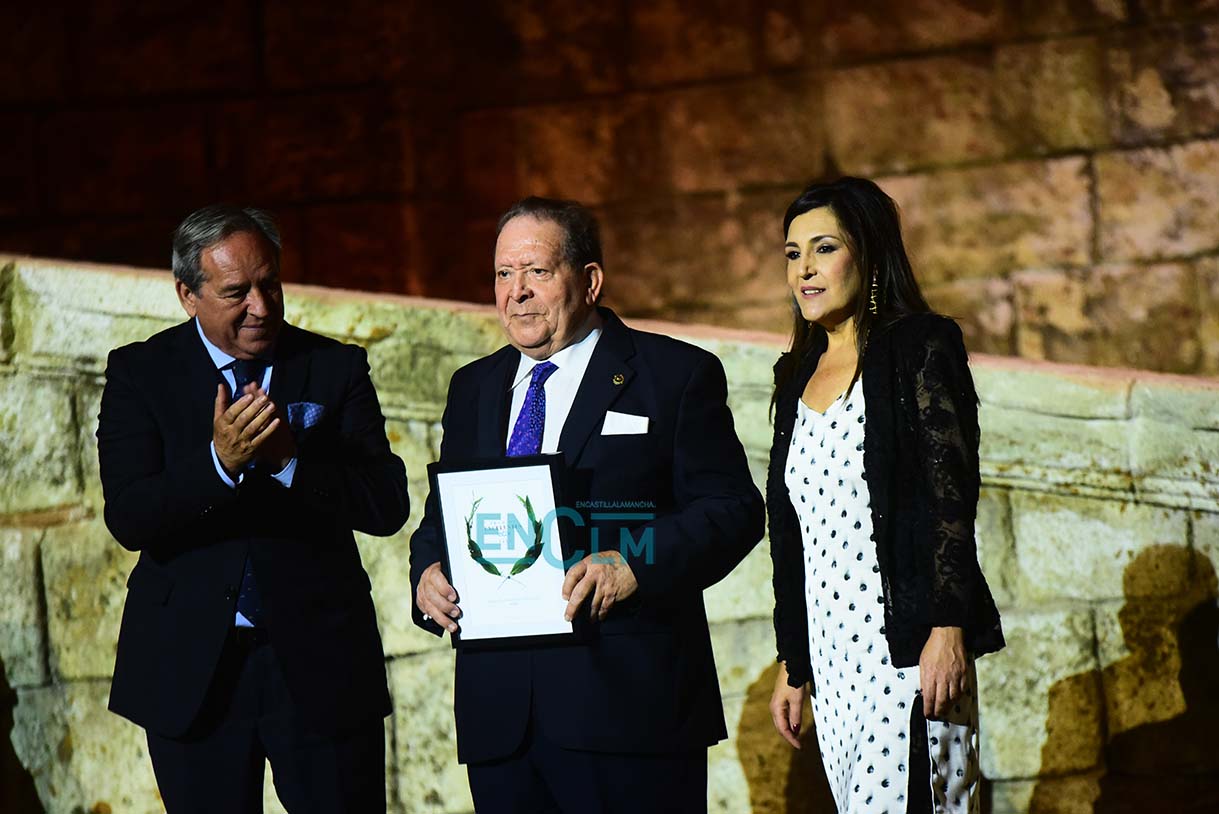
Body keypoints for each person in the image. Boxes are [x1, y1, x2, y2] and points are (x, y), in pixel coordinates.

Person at [409, 196, 764, 814]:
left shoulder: (672, 374)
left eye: (537, 272)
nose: (517, 292)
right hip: (502, 719)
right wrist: (427, 574)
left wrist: (633, 565)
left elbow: (733, 508)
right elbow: (442, 519)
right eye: (503, 273)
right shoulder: (472, 388)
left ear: (590, 280)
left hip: (629, 709)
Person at [96, 205, 410, 813]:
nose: (261, 307)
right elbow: (130, 516)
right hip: (192, 673)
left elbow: (387, 504)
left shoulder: (334, 367)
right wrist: (219, 463)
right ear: (188, 295)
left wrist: (291, 462)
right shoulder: (140, 373)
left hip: (323, 666)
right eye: (237, 292)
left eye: (271, 284)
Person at [766, 178, 1005, 813]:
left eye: (824, 248)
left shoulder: (918, 346)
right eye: (792, 253)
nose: (804, 269)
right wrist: (794, 665)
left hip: (908, 648)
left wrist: (948, 628)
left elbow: (950, 497)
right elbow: (791, 534)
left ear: (868, 254)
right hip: (832, 659)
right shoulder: (795, 374)